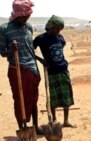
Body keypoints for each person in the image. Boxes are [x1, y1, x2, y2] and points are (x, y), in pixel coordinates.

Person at [0, 0, 43, 135]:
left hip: (33, 69)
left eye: (27, 16)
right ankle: (23, 128)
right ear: (16, 14)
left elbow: (30, 49)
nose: (26, 19)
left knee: (34, 99)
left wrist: (40, 59)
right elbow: (2, 52)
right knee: (20, 101)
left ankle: (35, 127)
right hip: (17, 69)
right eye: (23, 16)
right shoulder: (4, 29)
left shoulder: (28, 27)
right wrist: (12, 50)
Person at [33, 15, 76, 128]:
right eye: (56, 29)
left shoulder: (60, 37)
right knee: (53, 97)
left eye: (60, 29)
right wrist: (41, 60)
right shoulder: (41, 39)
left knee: (67, 96)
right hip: (51, 72)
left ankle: (66, 121)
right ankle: (54, 120)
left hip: (63, 70)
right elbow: (30, 50)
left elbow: (63, 45)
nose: (58, 31)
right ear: (50, 26)